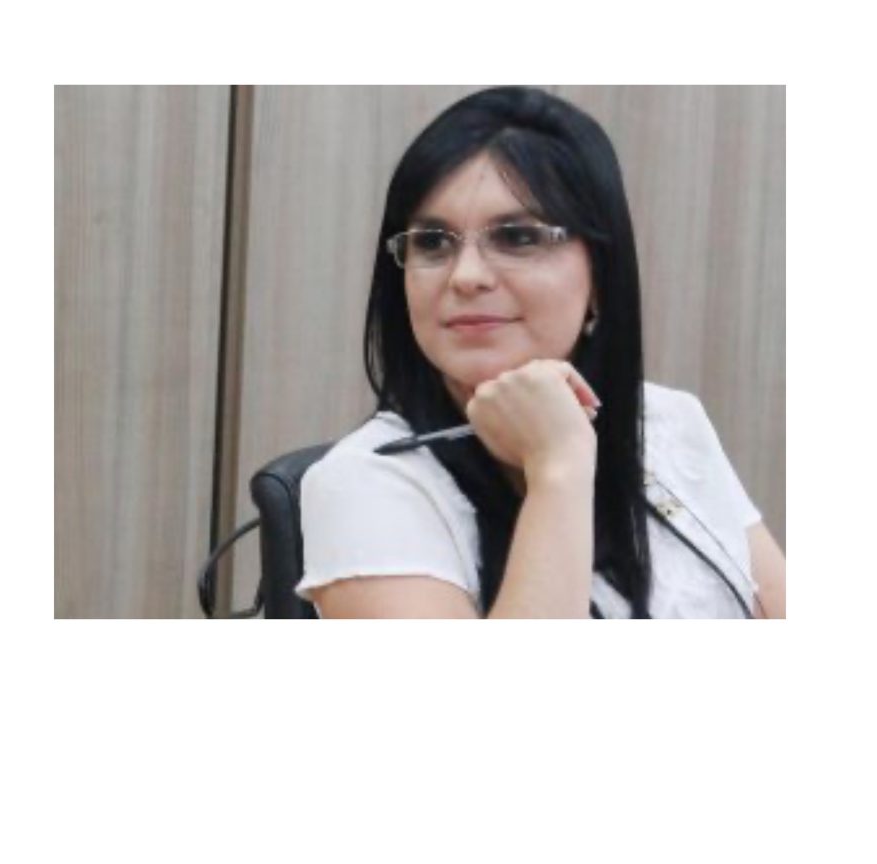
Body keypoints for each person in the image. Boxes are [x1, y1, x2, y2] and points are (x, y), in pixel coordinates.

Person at [294, 86, 786, 618]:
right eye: (433, 242)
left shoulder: (668, 422)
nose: (466, 276)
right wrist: (558, 466)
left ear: (600, 275)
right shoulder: (363, 485)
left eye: (517, 237)